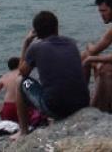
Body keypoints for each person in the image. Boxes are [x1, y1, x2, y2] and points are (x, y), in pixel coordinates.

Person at [11, 11, 89, 139]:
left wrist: (26, 43)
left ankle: (23, 131)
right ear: (57, 27)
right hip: (82, 104)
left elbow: (22, 72)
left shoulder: (35, 47)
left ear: (36, 32)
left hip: (56, 108)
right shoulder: (71, 43)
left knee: (20, 81)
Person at [0, 57, 28, 123]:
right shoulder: (23, 74)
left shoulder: (4, 77)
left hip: (8, 107)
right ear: (20, 64)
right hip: (22, 106)